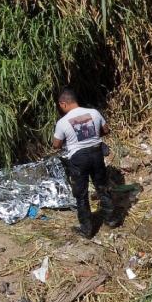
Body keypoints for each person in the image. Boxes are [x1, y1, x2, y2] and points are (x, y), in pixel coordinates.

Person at [52, 89, 117, 238]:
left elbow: (56, 145)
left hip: (78, 158)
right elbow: (106, 130)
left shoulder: (62, 122)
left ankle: (87, 230)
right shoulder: (94, 113)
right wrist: (92, 137)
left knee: (81, 194)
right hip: (96, 153)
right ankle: (111, 219)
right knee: (102, 186)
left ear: (63, 103)